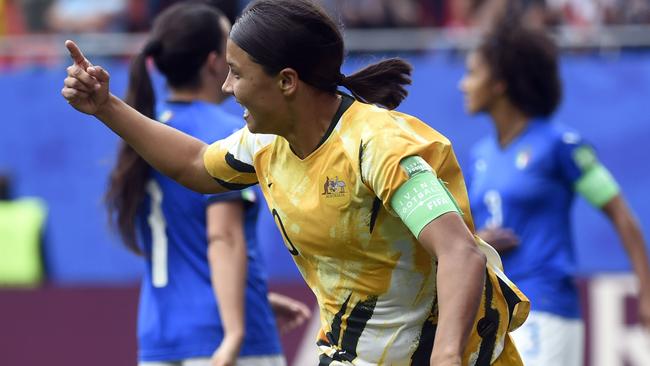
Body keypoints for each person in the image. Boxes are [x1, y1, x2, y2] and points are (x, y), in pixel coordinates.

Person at [61, 0, 530, 364]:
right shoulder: (265, 144)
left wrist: (446, 357)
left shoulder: (378, 146)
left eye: (237, 73)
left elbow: (459, 253)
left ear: (286, 82)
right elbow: (195, 166)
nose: (226, 86)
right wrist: (107, 107)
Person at [102, 3, 309, 366]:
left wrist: (254, 295)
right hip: (223, 341)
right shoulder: (224, 135)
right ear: (216, 61)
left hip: (159, 336)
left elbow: (187, 246)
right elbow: (222, 238)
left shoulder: (148, 134)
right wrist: (234, 331)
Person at [459, 19, 650, 366]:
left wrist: (647, 294)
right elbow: (465, 233)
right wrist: (479, 241)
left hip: (544, 308)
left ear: (500, 83)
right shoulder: (480, 157)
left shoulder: (560, 145)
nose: (463, 84)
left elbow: (622, 215)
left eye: (473, 73)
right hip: (495, 314)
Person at [0, 173, 47, 287]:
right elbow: (43, 252)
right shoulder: (31, 212)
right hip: (27, 280)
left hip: (27, 281)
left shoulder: (31, 212)